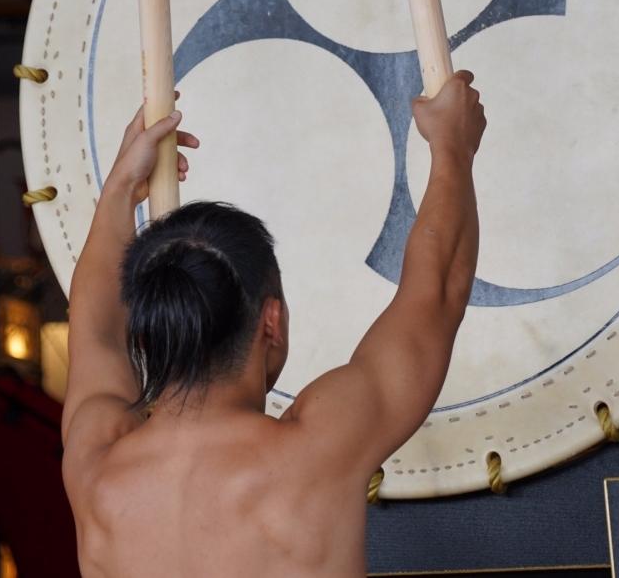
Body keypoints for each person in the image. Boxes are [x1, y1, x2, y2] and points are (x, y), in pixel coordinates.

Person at [61, 72, 486, 578]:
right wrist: (453, 148)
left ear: (149, 329)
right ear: (272, 320)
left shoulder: (96, 464)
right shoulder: (317, 449)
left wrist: (120, 188)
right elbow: (437, 292)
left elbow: (93, 329)